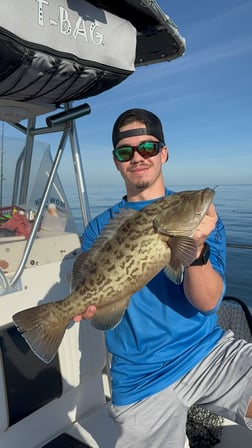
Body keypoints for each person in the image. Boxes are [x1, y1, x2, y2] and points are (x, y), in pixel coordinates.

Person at [74, 108, 252, 447]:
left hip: (206, 352)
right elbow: (99, 292)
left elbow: (207, 302)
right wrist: (86, 303)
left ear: (164, 153)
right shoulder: (99, 227)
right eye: (126, 152)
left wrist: (196, 247)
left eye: (149, 148)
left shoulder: (201, 222)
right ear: (116, 161)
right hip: (140, 378)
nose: (138, 157)